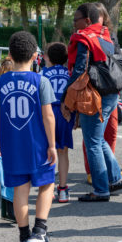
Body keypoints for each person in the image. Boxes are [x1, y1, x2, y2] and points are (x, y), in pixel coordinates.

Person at [0, 31, 57, 242]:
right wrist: (52, 145)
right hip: (37, 144)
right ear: (34, 55)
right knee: (47, 184)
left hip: (12, 144)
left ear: (10, 54)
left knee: (20, 189)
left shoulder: (1, 81)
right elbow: (48, 116)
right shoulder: (41, 80)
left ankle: (23, 238)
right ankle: (40, 231)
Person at [62, 2, 122, 202]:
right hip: (110, 93)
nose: (74, 23)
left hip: (94, 96)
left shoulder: (84, 38)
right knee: (98, 140)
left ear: (86, 20)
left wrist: (66, 97)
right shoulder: (105, 34)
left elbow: (80, 71)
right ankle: (114, 178)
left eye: (76, 19)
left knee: (92, 143)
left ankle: (100, 190)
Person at [78, 2, 122, 185]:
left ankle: (111, 175)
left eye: (100, 17)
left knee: (105, 134)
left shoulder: (106, 36)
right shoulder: (87, 36)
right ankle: (98, 174)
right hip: (96, 92)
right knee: (93, 138)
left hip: (108, 90)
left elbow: (113, 62)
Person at [40, 42, 75, 203]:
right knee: (63, 152)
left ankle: (48, 187)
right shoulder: (69, 73)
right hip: (65, 112)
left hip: (48, 112)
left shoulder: (44, 73)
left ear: (49, 57)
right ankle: (63, 189)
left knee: (48, 149)